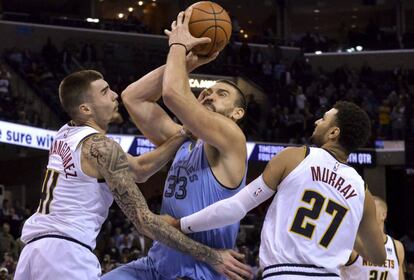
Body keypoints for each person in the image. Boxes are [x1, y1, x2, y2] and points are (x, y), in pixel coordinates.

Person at [13, 70, 252, 280]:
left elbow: (138, 170)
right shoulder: (101, 147)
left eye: (221, 94)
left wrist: (181, 133)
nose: (114, 95)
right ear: (85, 109)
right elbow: (143, 221)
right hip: (66, 253)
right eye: (105, 92)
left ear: (238, 113)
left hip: (33, 250)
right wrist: (181, 52)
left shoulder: (67, 131)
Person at [103, 9, 249, 280]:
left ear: (237, 113)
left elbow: (172, 94)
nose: (209, 93)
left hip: (203, 269)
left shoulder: (232, 138)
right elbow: (134, 98)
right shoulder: (184, 137)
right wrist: (190, 62)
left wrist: (179, 47)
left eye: (222, 93)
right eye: (208, 89)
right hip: (156, 263)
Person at [175, 101, 387, 279]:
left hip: (285, 273)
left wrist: (182, 224)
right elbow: (378, 256)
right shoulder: (362, 190)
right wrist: (343, 231)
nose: (316, 121)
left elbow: (237, 207)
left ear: (333, 132)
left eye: (323, 118)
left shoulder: (296, 156)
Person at [341, 196, 405, 280]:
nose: (366, 213)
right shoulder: (353, 242)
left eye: (372, 209)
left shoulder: (397, 247)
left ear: (383, 215)